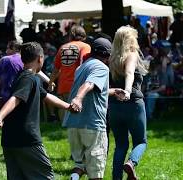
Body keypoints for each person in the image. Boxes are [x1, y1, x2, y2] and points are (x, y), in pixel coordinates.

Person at [0, 42, 71, 179]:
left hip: (9, 139)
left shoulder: (26, 77)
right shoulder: (29, 78)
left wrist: (67, 106)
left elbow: (46, 96)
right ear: (40, 59)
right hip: (26, 139)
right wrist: (0, 116)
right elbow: (16, 98)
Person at [64, 37, 120, 180]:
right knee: (96, 172)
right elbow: (89, 84)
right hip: (92, 124)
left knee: (80, 164)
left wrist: (112, 91)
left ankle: (74, 178)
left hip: (73, 122)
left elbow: (94, 89)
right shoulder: (102, 67)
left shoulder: (81, 67)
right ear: (108, 54)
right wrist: (78, 98)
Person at [108, 26, 148, 180]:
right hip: (133, 103)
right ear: (131, 39)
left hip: (114, 106)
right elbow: (130, 73)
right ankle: (132, 162)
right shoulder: (131, 54)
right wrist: (128, 91)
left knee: (121, 145)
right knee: (141, 142)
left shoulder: (111, 58)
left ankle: (116, 178)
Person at [48, 25, 91, 120]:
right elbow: (83, 65)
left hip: (63, 84)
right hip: (78, 84)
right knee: (79, 110)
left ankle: (64, 127)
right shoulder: (86, 47)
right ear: (83, 35)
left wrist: (51, 82)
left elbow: (56, 69)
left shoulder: (62, 47)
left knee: (64, 107)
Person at [0, 40, 50, 105]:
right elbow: (37, 71)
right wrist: (49, 81)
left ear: (14, 48)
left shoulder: (5, 59)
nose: (6, 51)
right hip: (24, 97)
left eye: (8, 48)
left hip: (7, 99)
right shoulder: (27, 59)